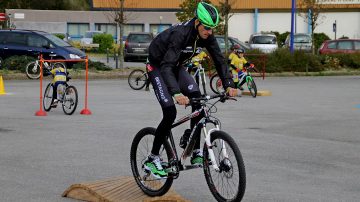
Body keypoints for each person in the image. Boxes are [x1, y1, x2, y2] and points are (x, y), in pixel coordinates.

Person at [143, 2, 237, 179]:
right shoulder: (181, 34)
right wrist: (176, 93)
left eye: (213, 29)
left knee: (198, 99)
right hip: (157, 66)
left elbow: (219, 60)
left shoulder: (207, 35)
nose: (209, 32)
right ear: (197, 22)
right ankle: (152, 158)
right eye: (207, 28)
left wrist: (229, 84)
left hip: (176, 67)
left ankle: (195, 153)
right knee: (170, 112)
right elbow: (166, 66)